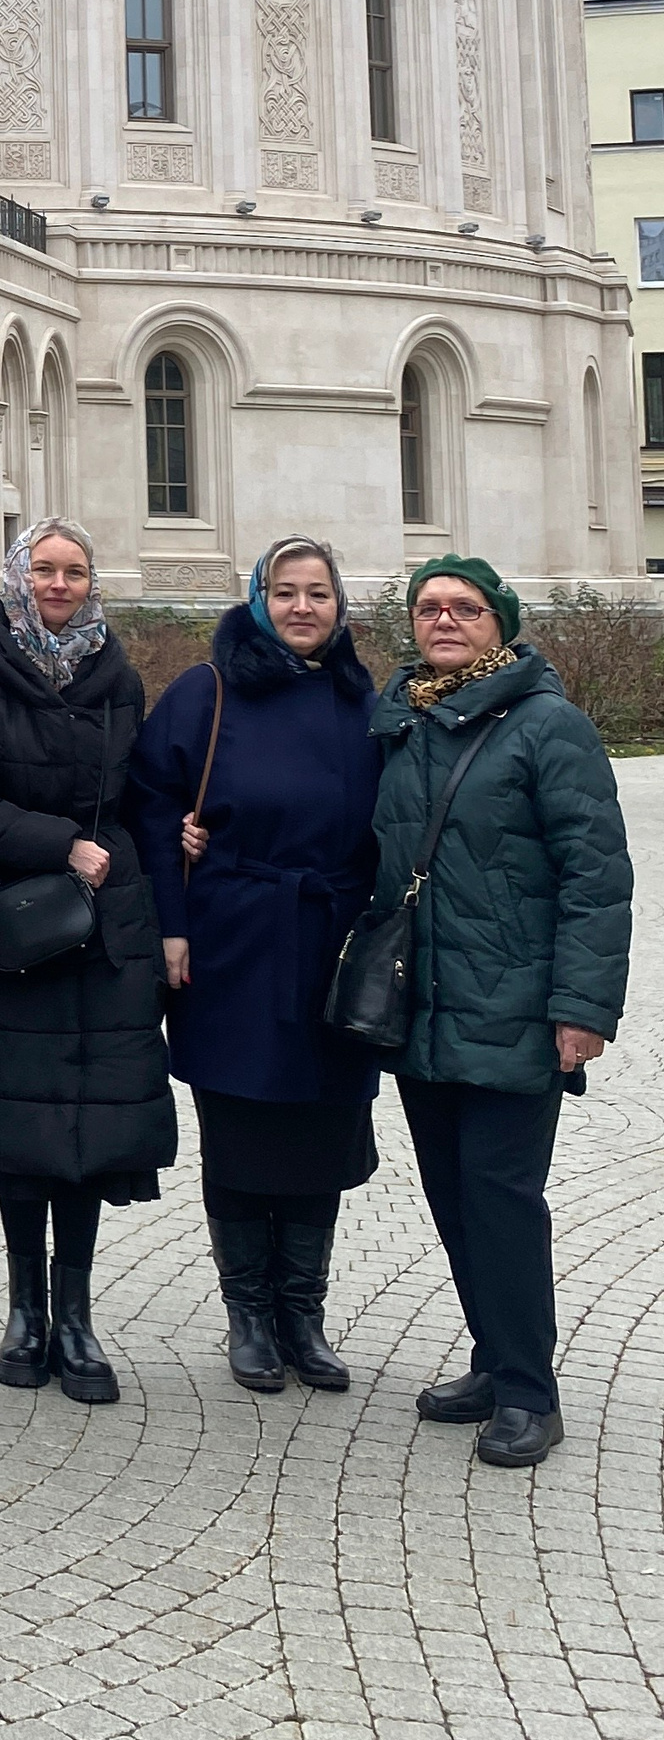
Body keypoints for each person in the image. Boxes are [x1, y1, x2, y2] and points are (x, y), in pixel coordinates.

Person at [372, 553, 632, 1468]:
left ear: (501, 621)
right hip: (427, 1007)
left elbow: (597, 877)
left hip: (517, 1010)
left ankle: (530, 1391)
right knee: (452, 1197)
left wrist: (583, 1006)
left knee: (503, 1197)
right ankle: (493, 1358)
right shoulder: (403, 719)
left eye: (466, 607)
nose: (445, 619)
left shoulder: (548, 725)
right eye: (430, 606)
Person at [126, 537, 380, 1396]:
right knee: (239, 1128)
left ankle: (302, 1312)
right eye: (285, 591)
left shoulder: (358, 694)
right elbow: (152, 804)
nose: (302, 607)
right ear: (258, 597)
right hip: (235, 936)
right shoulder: (209, 689)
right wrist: (173, 918)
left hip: (332, 940)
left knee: (324, 1128)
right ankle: (248, 1314)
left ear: (340, 604)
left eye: (318, 592)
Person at [0, 516, 172, 1403]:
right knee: (19, 1128)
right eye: (44, 569)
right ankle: (24, 1307)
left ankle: (75, 1312)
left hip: (103, 927)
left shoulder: (118, 675)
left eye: (74, 571)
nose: (59, 584)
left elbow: (141, 788)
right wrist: (61, 842)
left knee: (91, 1132)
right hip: (11, 923)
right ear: (14, 575)